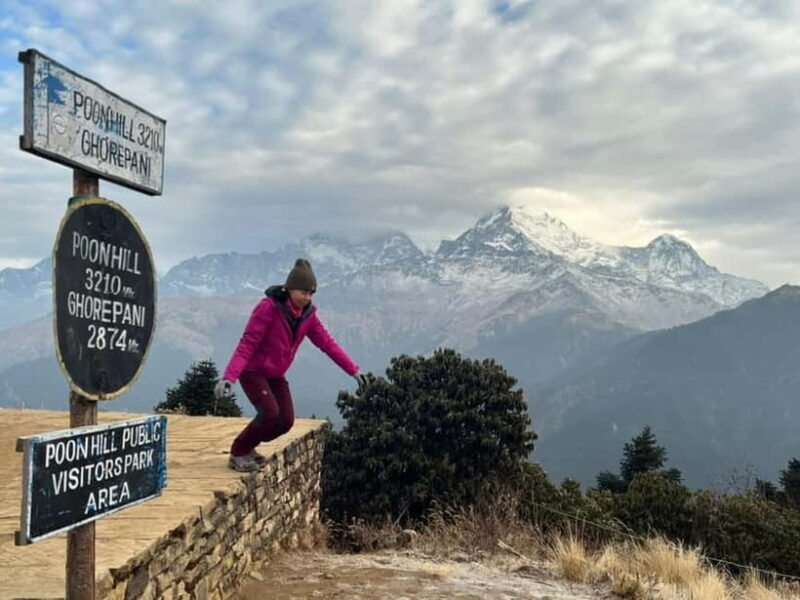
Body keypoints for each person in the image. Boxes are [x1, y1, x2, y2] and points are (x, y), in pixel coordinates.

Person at [214, 258, 367, 472]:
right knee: (269, 412)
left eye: (311, 293)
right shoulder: (268, 308)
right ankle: (239, 451)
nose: (307, 297)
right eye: (303, 292)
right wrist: (229, 377)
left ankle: (249, 446)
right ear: (289, 289)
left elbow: (328, 344)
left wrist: (354, 371)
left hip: (276, 374)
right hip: (253, 371)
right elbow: (247, 343)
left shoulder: (308, 316)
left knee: (285, 421)